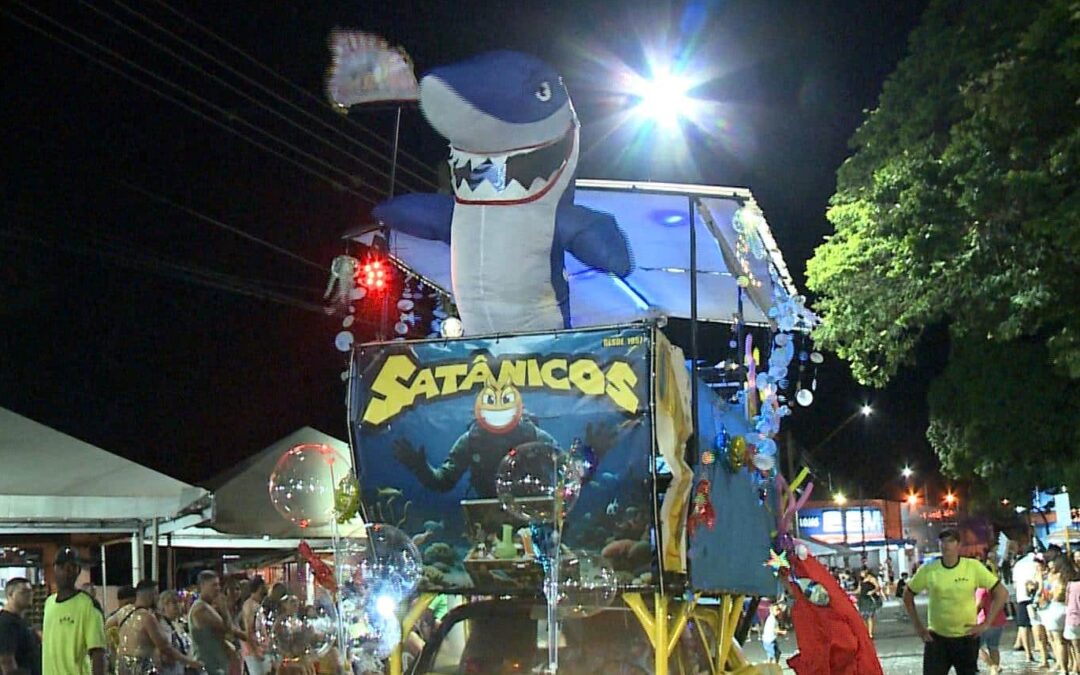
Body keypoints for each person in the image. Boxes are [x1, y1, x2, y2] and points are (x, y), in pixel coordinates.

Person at [903, 528, 1008, 675]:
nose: (946, 545)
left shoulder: (972, 567)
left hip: (966, 638)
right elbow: (907, 595)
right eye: (943, 541)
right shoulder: (929, 569)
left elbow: (1002, 593)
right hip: (937, 639)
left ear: (958, 544)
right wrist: (919, 627)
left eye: (950, 541)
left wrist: (986, 623)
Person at [42, 547, 107, 675]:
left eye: (73, 567)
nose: (69, 571)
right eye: (64, 567)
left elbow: (98, 653)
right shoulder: (49, 603)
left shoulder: (88, 605)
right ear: (54, 568)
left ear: (78, 571)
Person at [113, 580, 201, 675]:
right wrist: (190, 662)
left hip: (122, 666)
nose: (158, 598)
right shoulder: (148, 617)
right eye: (156, 594)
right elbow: (165, 647)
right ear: (151, 595)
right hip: (140, 668)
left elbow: (106, 627)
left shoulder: (123, 612)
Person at [188, 571, 245, 675]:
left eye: (218, 585)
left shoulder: (208, 606)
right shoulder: (200, 609)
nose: (218, 589)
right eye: (214, 585)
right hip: (209, 667)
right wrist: (224, 608)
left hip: (218, 666)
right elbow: (227, 629)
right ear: (202, 586)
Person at [0, 577, 41, 675]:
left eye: (31, 591)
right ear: (10, 595)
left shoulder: (21, 620)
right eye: (24, 592)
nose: (29, 595)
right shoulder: (5, 623)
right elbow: (6, 661)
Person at [976, 560, 1008, 675]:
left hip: (984, 622)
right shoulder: (996, 586)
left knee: (975, 647)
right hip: (999, 621)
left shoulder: (982, 589)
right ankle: (995, 670)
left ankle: (992, 666)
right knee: (994, 647)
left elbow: (979, 606)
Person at [155, 590, 193, 675]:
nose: (179, 606)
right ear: (164, 606)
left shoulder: (177, 624)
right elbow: (165, 653)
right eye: (174, 603)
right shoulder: (162, 626)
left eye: (179, 602)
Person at [240, 576, 271, 675]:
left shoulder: (256, 605)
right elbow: (248, 631)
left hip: (260, 649)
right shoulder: (250, 606)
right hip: (254, 651)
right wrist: (255, 652)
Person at [857, 567, 883, 639]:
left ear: (866, 571)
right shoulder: (861, 580)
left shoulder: (871, 578)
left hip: (870, 599)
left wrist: (872, 591)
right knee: (863, 617)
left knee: (869, 616)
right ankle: (865, 632)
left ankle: (870, 633)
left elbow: (878, 587)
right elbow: (858, 590)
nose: (861, 574)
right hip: (862, 599)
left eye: (862, 572)